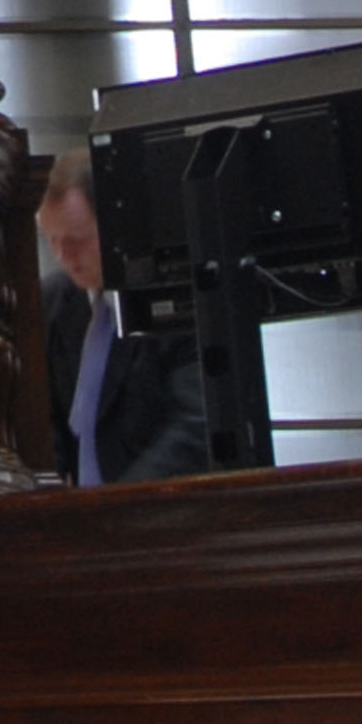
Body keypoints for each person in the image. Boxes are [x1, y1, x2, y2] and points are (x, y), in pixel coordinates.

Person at [35, 145, 211, 486]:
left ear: (116, 227)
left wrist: (120, 507)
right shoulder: (51, 304)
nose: (64, 256)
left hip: (168, 507)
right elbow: (47, 426)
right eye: (52, 241)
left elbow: (196, 421)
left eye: (77, 240)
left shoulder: (178, 294)